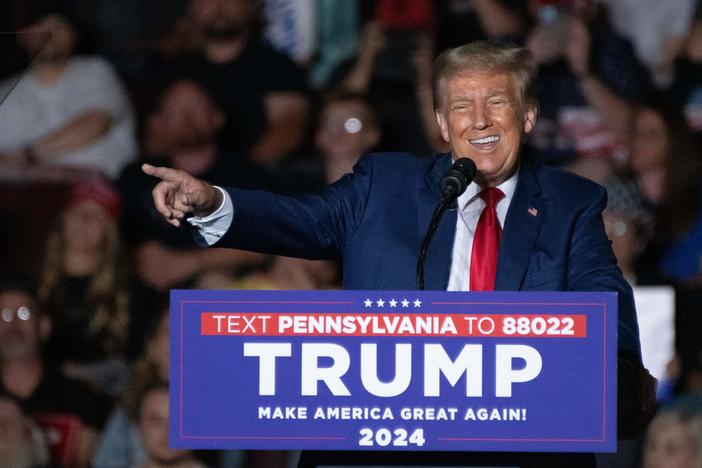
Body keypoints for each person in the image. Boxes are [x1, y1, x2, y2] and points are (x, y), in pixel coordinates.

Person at [143, 41, 648, 466]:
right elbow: (303, 220)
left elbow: (605, 304)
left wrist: (614, 374)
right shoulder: (384, 185)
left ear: (529, 115)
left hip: (516, 451)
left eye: (496, 102)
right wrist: (212, 200)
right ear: (442, 124)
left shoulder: (569, 204)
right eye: (461, 106)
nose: (479, 121)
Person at [0, 6, 137, 179]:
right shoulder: (6, 91)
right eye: (39, 25)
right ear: (22, 35)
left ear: (73, 35)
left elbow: (95, 123)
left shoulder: (96, 71)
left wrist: (27, 154)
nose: (48, 34)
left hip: (96, 184)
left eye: (58, 26)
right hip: (25, 191)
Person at [0, 278, 108, 467]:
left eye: (24, 313)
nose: (13, 325)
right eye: (4, 315)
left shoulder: (77, 398)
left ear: (44, 326)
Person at [38, 176, 131, 395]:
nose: (85, 221)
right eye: (78, 211)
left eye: (97, 216)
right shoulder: (32, 281)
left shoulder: (128, 287)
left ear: (110, 232)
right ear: (63, 217)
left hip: (107, 388)